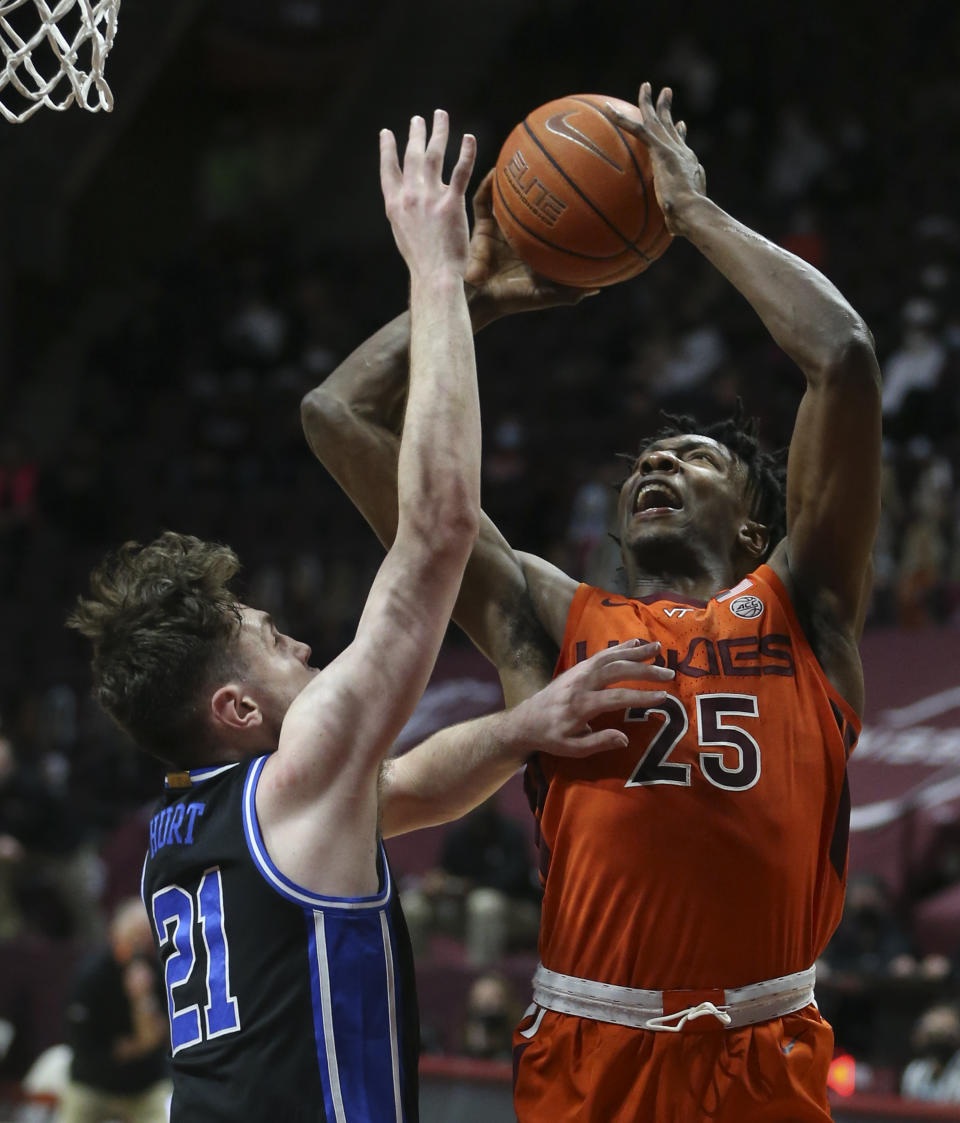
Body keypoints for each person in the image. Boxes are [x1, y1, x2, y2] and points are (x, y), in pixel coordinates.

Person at [68, 111, 672, 1123]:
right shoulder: (296, 774)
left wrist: (521, 728)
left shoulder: (189, 827)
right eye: (270, 640)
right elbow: (436, 528)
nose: (300, 642)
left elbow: (398, 792)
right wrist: (437, 274)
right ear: (234, 706)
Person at [303, 83, 882, 1122]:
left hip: (761, 1052)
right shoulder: (553, 618)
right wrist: (468, 296)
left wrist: (692, 212)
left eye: (695, 456)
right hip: (590, 1052)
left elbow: (840, 356)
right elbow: (337, 413)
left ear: (755, 527)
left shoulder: (806, 607)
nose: (658, 459)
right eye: (647, 458)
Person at [58, 898, 170, 1123]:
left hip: (145, 1084)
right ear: (115, 935)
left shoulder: (159, 971)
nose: (137, 946)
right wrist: (130, 1047)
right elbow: (83, 1043)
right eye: (132, 937)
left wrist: (142, 999)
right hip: (93, 1083)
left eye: (145, 938)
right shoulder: (91, 975)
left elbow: (156, 1039)